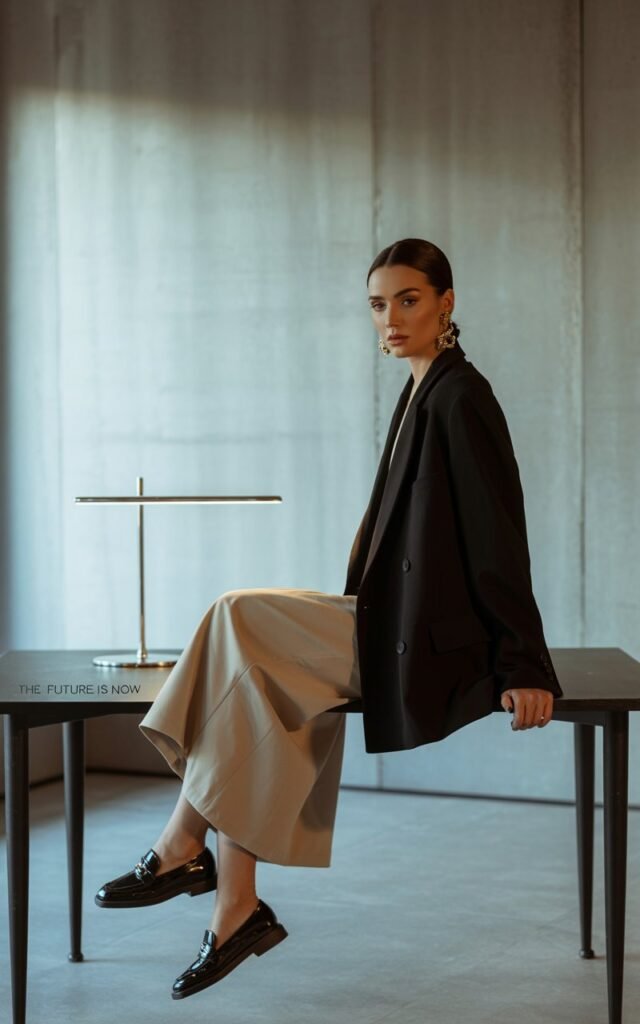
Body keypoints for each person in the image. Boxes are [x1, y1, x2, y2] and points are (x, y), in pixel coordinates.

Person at [95, 238, 563, 1000]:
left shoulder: (461, 395)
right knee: (241, 655)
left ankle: (187, 845)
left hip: (421, 639)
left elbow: (498, 536)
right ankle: (230, 900)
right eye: (378, 305)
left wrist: (524, 664)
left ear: (447, 301)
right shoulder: (421, 389)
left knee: (239, 620)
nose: (391, 318)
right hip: (387, 616)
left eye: (408, 300)